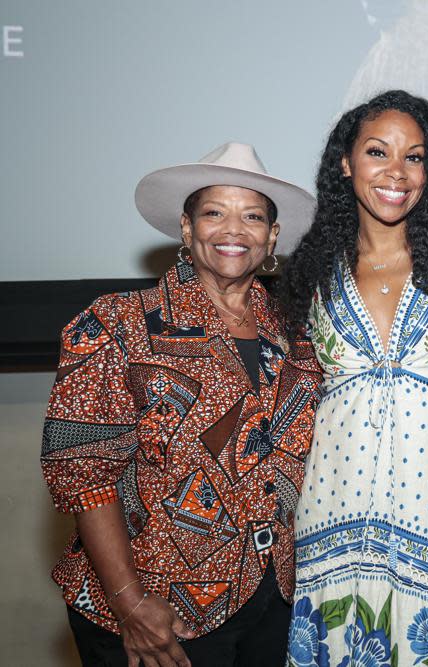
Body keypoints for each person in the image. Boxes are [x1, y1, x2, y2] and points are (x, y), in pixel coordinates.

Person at [40, 142, 323, 666]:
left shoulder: (300, 338)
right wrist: (131, 605)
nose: (234, 230)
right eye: (214, 212)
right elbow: (81, 474)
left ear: (273, 236)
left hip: (273, 598)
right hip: (155, 607)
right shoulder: (116, 324)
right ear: (187, 229)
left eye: (253, 216)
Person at [278, 90, 428, 667]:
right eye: (378, 151)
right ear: (346, 162)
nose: (396, 171)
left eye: (414, 157)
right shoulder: (308, 277)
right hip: (333, 524)